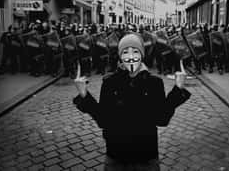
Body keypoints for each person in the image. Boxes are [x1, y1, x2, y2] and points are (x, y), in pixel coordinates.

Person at [73, 34, 191, 171]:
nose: (130, 56)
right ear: (120, 56)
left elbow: (162, 119)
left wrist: (178, 89)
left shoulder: (154, 83)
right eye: (125, 52)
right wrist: (84, 95)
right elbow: (103, 120)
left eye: (135, 51)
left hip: (146, 156)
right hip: (116, 155)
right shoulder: (110, 82)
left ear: (141, 54)